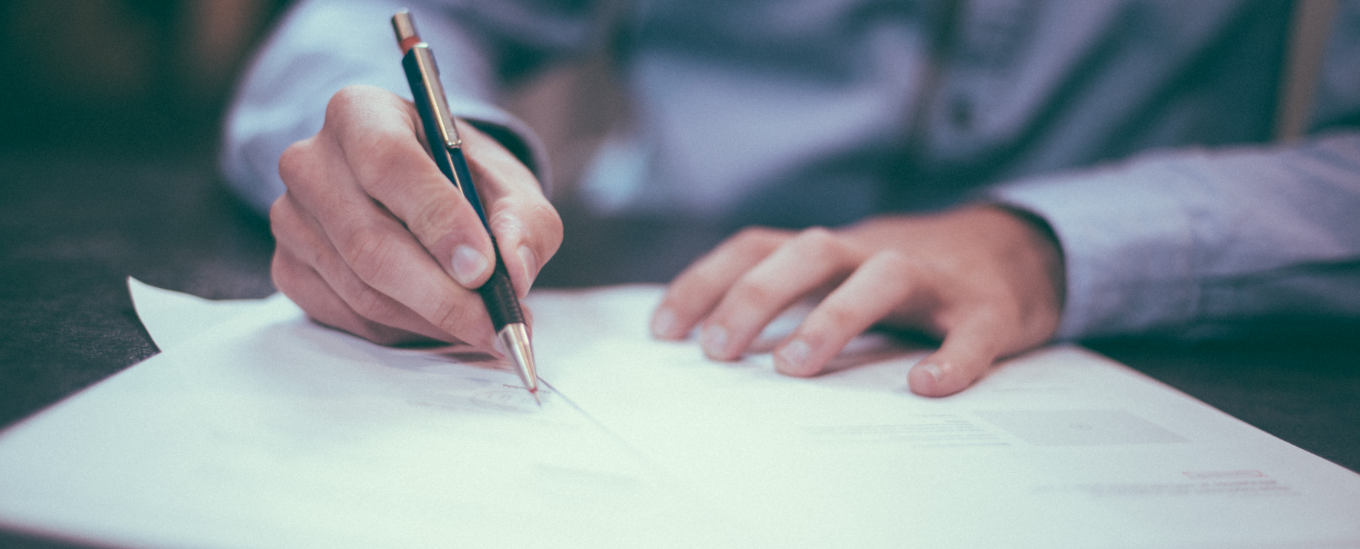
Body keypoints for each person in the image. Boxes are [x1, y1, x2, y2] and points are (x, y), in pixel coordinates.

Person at [221, 0, 1360, 397]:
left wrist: (1046, 246)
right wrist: (399, 154)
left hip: (1135, 341)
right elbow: (369, 19)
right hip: (657, 304)